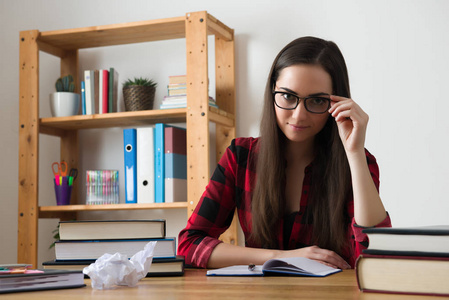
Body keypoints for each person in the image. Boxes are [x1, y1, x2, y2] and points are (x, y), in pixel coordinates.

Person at [178, 36, 391, 270]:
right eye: (288, 96)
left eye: (317, 100)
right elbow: (189, 245)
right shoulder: (240, 157)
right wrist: (283, 256)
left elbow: (376, 256)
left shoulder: (358, 162)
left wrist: (355, 152)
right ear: (272, 93)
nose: (299, 115)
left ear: (336, 103)